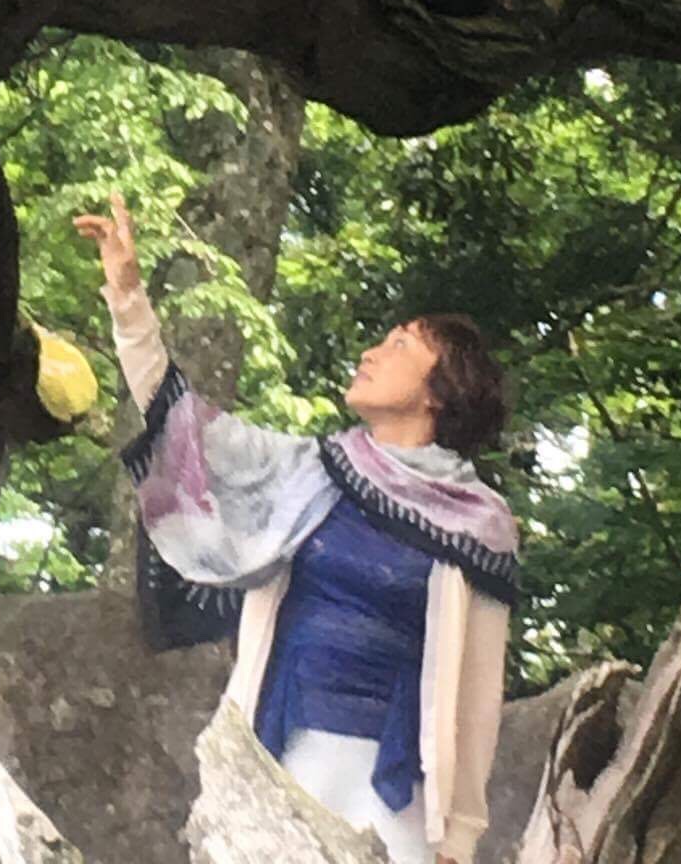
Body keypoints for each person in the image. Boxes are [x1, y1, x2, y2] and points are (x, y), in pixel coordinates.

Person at [73, 194, 515, 864]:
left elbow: (478, 692)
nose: (371, 352)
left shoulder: (480, 521)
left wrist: (461, 836)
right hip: (283, 756)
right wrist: (129, 300)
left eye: (399, 345)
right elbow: (183, 421)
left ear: (440, 391)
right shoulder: (311, 469)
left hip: (398, 790)